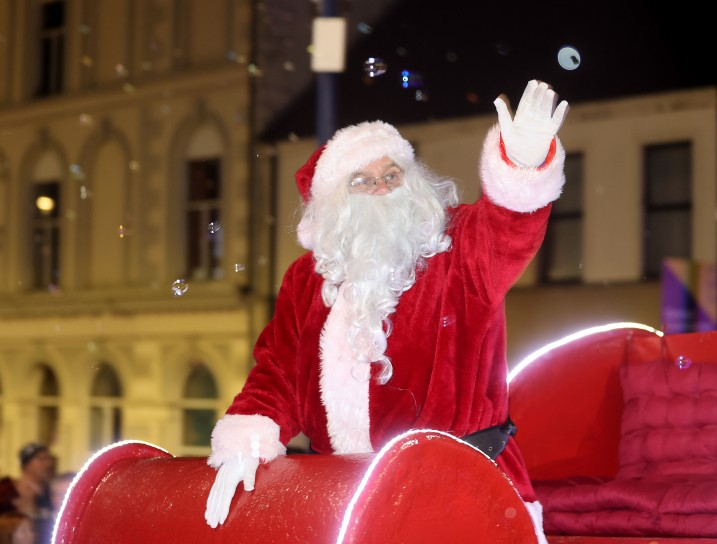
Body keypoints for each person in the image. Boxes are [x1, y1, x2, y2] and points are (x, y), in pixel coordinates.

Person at [204, 79, 569, 542]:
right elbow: (276, 374)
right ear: (335, 203)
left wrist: (522, 163)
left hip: (460, 493)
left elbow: (510, 229)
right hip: (342, 498)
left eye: (391, 174)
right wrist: (249, 442)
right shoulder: (306, 279)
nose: (380, 187)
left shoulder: (458, 250)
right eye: (361, 179)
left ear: (411, 183)